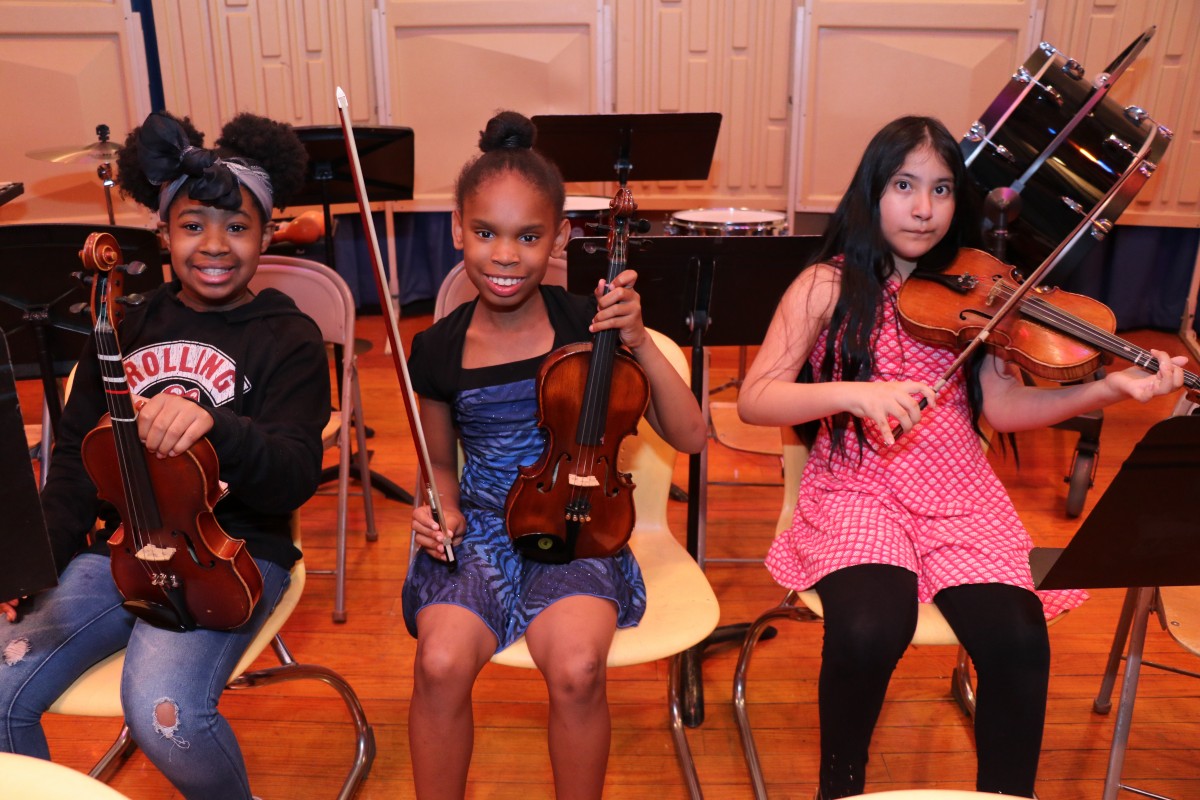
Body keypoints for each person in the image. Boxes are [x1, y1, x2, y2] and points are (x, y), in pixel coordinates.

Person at [737, 115, 1187, 799]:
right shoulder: (826, 287)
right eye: (904, 185)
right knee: (868, 628)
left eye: (942, 189)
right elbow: (756, 398)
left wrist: (1110, 385)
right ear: (872, 192)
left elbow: (1002, 410)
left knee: (1018, 641)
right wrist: (857, 394)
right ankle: (842, 787)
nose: (923, 208)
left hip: (958, 488)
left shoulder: (977, 287)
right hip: (859, 485)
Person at [0, 110, 329, 800]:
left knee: (164, 715)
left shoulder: (289, 335)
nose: (215, 245)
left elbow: (295, 474)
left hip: (234, 552)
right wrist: (31, 567)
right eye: (192, 226)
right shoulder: (125, 325)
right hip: (120, 547)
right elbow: (74, 470)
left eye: (238, 227)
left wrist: (215, 425)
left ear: (268, 233)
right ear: (162, 233)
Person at [403, 110, 706, 799]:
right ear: (456, 229)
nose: (504, 255)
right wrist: (437, 510)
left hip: (580, 523)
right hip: (479, 524)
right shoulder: (436, 348)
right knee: (440, 663)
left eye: (527, 237)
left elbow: (689, 436)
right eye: (485, 233)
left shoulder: (590, 325)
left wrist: (638, 344)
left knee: (576, 670)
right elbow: (440, 465)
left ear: (560, 238)